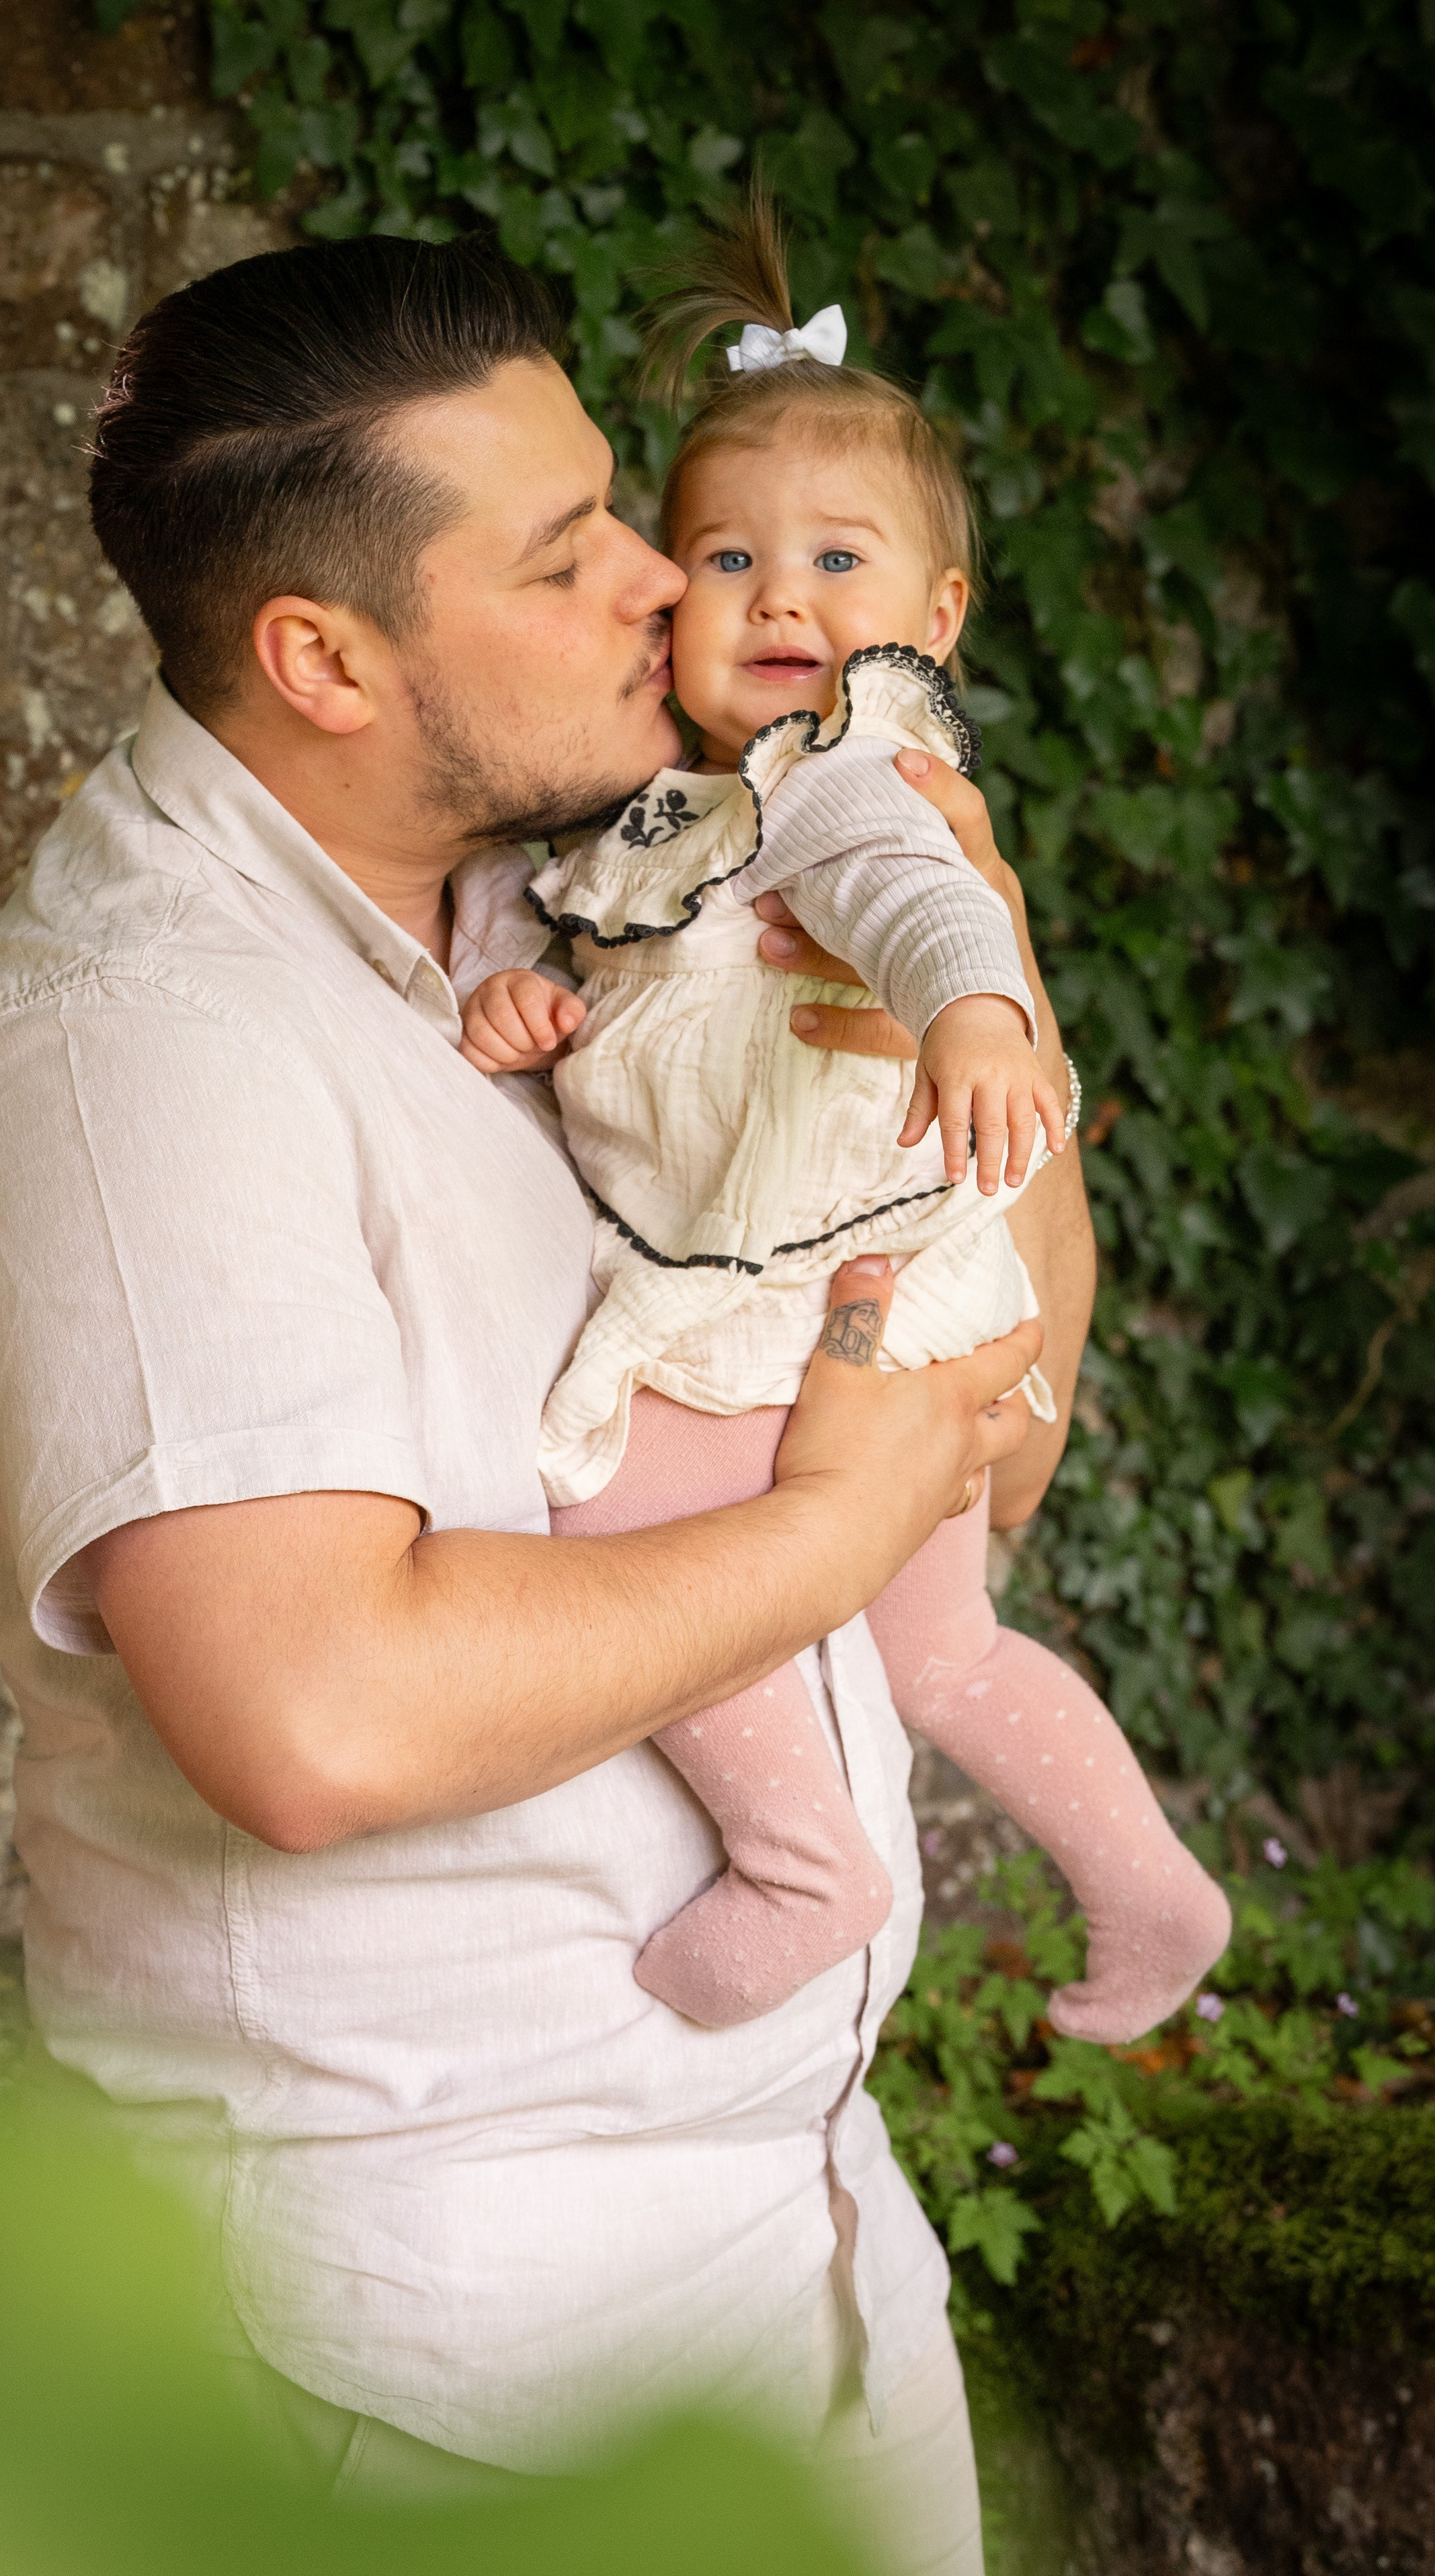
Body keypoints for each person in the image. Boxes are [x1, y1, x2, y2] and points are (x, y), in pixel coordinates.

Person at [0, 233, 1075, 2574]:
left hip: (801, 2247)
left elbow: (1007, 1400)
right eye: (570, 556)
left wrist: (988, 954)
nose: (669, 583)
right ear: (325, 658)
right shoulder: (137, 1060)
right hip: (443, 2387)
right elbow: (312, 1713)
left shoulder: (586, 903)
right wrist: (840, 1532)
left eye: (627, 508)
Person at [458, 200, 1231, 2040]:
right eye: (726, 555)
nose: (780, 598)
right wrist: (523, 1005)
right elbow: (606, 964)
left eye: (835, 559)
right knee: (943, 1647)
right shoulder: (675, 815)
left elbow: (919, 895)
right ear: (667, 588)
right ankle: (1152, 1885)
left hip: (790, 1300)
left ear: (935, 624)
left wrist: (978, 1007)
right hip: (881, 1281)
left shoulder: (848, 772)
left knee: (613, 1517)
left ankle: (808, 1862)